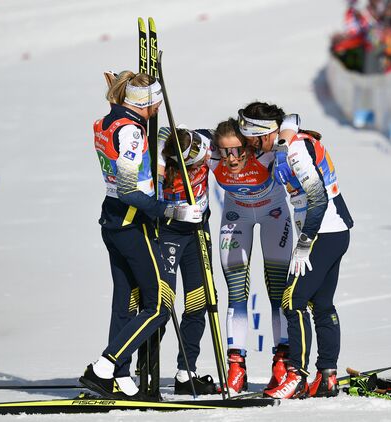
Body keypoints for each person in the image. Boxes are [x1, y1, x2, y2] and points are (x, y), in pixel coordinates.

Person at [80, 71, 203, 400]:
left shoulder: (105, 122)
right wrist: (170, 210)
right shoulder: (132, 132)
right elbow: (127, 190)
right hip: (133, 225)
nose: (160, 105)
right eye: (157, 100)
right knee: (159, 306)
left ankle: (118, 377)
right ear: (146, 103)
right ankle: (104, 367)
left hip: (113, 222)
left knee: (124, 304)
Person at [239, 102, 354, 399]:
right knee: (322, 304)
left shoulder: (294, 151)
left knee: (293, 301)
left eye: (251, 139)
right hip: (333, 232)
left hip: (322, 232)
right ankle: (327, 376)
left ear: (264, 133)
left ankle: (297, 375)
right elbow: (290, 118)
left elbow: (318, 199)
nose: (249, 146)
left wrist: (304, 243)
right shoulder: (283, 141)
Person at [209, 113, 300, 394]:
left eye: (237, 150)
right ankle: (236, 366)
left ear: (249, 146)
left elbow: (292, 120)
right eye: (225, 151)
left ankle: (281, 362)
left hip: (274, 214)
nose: (231, 158)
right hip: (236, 216)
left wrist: (283, 141)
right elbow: (172, 136)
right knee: (236, 294)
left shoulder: (266, 152)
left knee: (278, 293)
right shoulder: (212, 155)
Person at [157, 126, 217, 395]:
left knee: (199, 300)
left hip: (197, 232)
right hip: (168, 232)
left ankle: (186, 373)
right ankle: (142, 369)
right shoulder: (162, 167)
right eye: (197, 159)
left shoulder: (202, 139)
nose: (205, 158)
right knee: (160, 303)